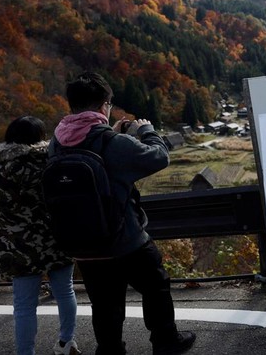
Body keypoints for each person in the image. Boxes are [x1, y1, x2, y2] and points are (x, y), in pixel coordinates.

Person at [48, 72, 195, 355]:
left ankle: (110, 350)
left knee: (104, 303)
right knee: (156, 287)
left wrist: (112, 133)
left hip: (83, 244)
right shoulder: (112, 143)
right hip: (124, 238)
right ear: (105, 105)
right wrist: (147, 130)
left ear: (72, 105)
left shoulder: (57, 143)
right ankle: (166, 342)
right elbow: (159, 156)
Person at [0, 116, 81, 355]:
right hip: (55, 238)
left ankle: (25, 352)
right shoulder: (50, 164)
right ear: (39, 138)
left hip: (17, 246)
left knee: (24, 306)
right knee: (65, 290)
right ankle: (67, 342)